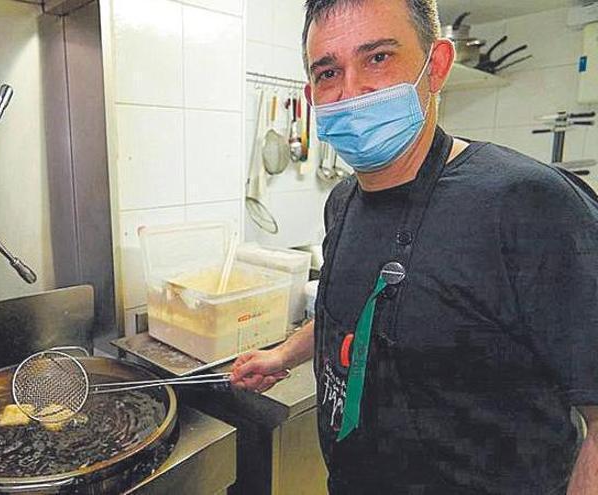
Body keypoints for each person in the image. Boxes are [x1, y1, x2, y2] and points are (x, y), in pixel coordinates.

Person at [230, 0, 598, 493]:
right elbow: (358, 310)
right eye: (328, 72)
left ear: (437, 66)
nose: (352, 91)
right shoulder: (343, 201)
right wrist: (284, 356)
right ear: (311, 94)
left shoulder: (528, 203)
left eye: (378, 58)